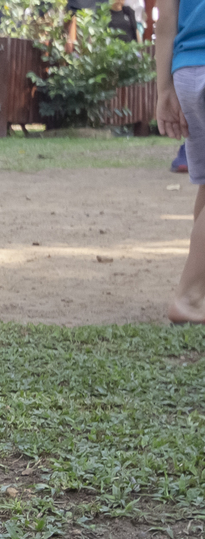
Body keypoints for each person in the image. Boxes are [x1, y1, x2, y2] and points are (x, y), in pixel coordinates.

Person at [157, 0, 205, 322]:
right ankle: (190, 297)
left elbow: (165, 20)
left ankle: (200, 287)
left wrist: (163, 90)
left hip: (187, 71)